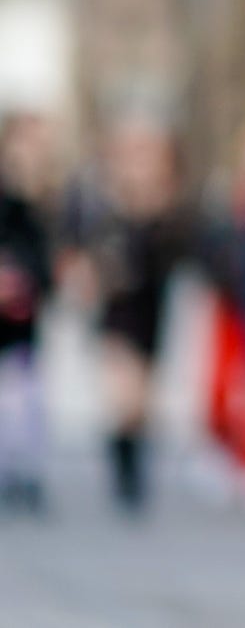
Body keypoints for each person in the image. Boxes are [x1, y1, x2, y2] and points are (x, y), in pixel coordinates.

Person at [61, 113, 198, 513]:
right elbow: (79, 246)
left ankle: (133, 459)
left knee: (142, 400)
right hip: (115, 307)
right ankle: (124, 472)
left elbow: (176, 254)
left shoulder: (167, 204)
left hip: (150, 306)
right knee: (123, 389)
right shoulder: (101, 200)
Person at [0, 112, 55, 513]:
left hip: (26, 316)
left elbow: (47, 259)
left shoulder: (47, 198)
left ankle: (25, 472)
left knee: (25, 395)